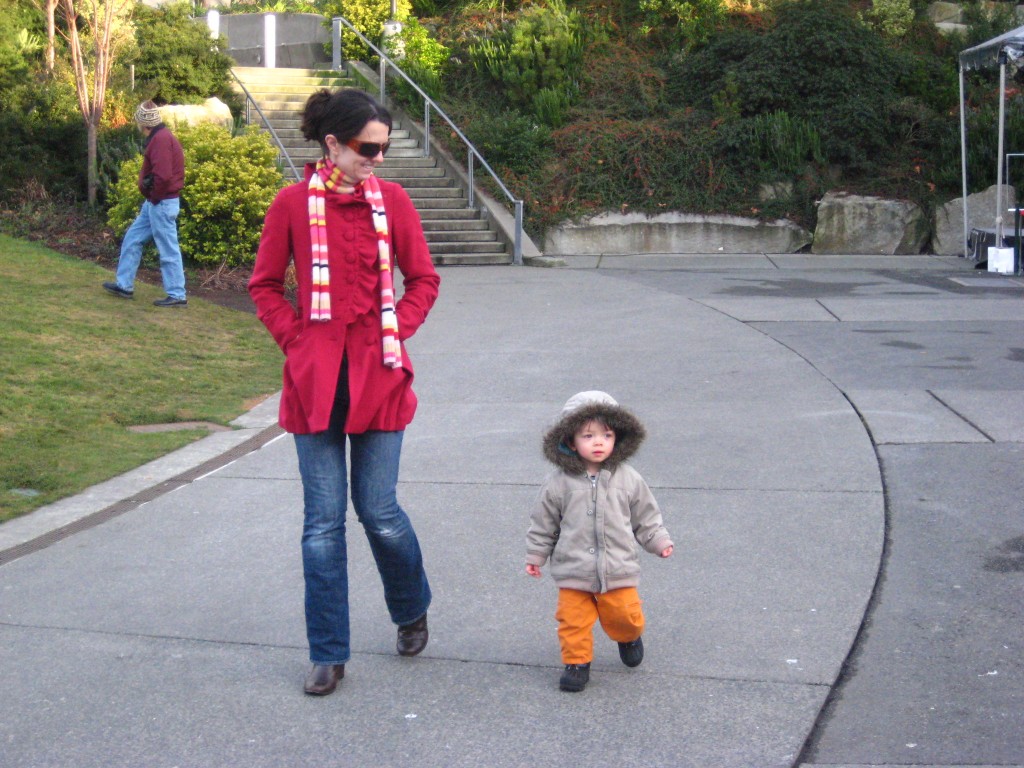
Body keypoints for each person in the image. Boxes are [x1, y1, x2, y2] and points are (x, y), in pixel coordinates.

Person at [248, 88, 440, 697]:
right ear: (332, 144)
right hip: (315, 384)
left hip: (380, 379)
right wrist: (298, 341)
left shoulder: (395, 202)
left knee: (379, 513)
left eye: (383, 149)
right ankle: (328, 652)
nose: (377, 159)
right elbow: (264, 286)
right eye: (367, 148)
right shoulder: (291, 205)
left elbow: (424, 279)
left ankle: (410, 608)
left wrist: (396, 327)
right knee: (322, 525)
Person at [526, 390, 674, 692]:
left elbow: (645, 515)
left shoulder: (629, 478)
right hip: (573, 568)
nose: (598, 442)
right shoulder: (558, 483)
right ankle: (576, 662)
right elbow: (544, 523)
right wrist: (536, 555)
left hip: (618, 566)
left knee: (625, 615)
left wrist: (658, 540)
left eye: (606, 435)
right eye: (588, 435)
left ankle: (628, 636)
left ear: (617, 438)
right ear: (570, 441)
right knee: (573, 620)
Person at [103, 100, 187, 307]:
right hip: (156, 202)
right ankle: (124, 285)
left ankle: (177, 294)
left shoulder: (160, 140)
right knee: (133, 239)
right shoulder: (161, 137)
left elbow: (163, 176)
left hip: (161, 202)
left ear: (143, 122)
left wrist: (155, 197)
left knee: (168, 249)